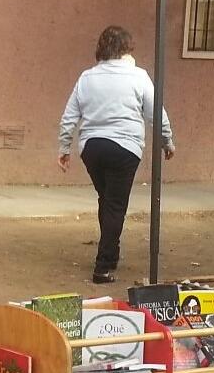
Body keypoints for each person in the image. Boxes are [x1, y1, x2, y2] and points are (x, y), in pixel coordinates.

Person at [58, 26, 174, 284]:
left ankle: (111, 254)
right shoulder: (138, 76)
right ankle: (102, 266)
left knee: (107, 199)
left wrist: (64, 147)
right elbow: (156, 112)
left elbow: (70, 116)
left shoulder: (87, 78)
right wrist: (167, 140)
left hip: (92, 148)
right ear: (127, 48)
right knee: (115, 205)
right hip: (125, 147)